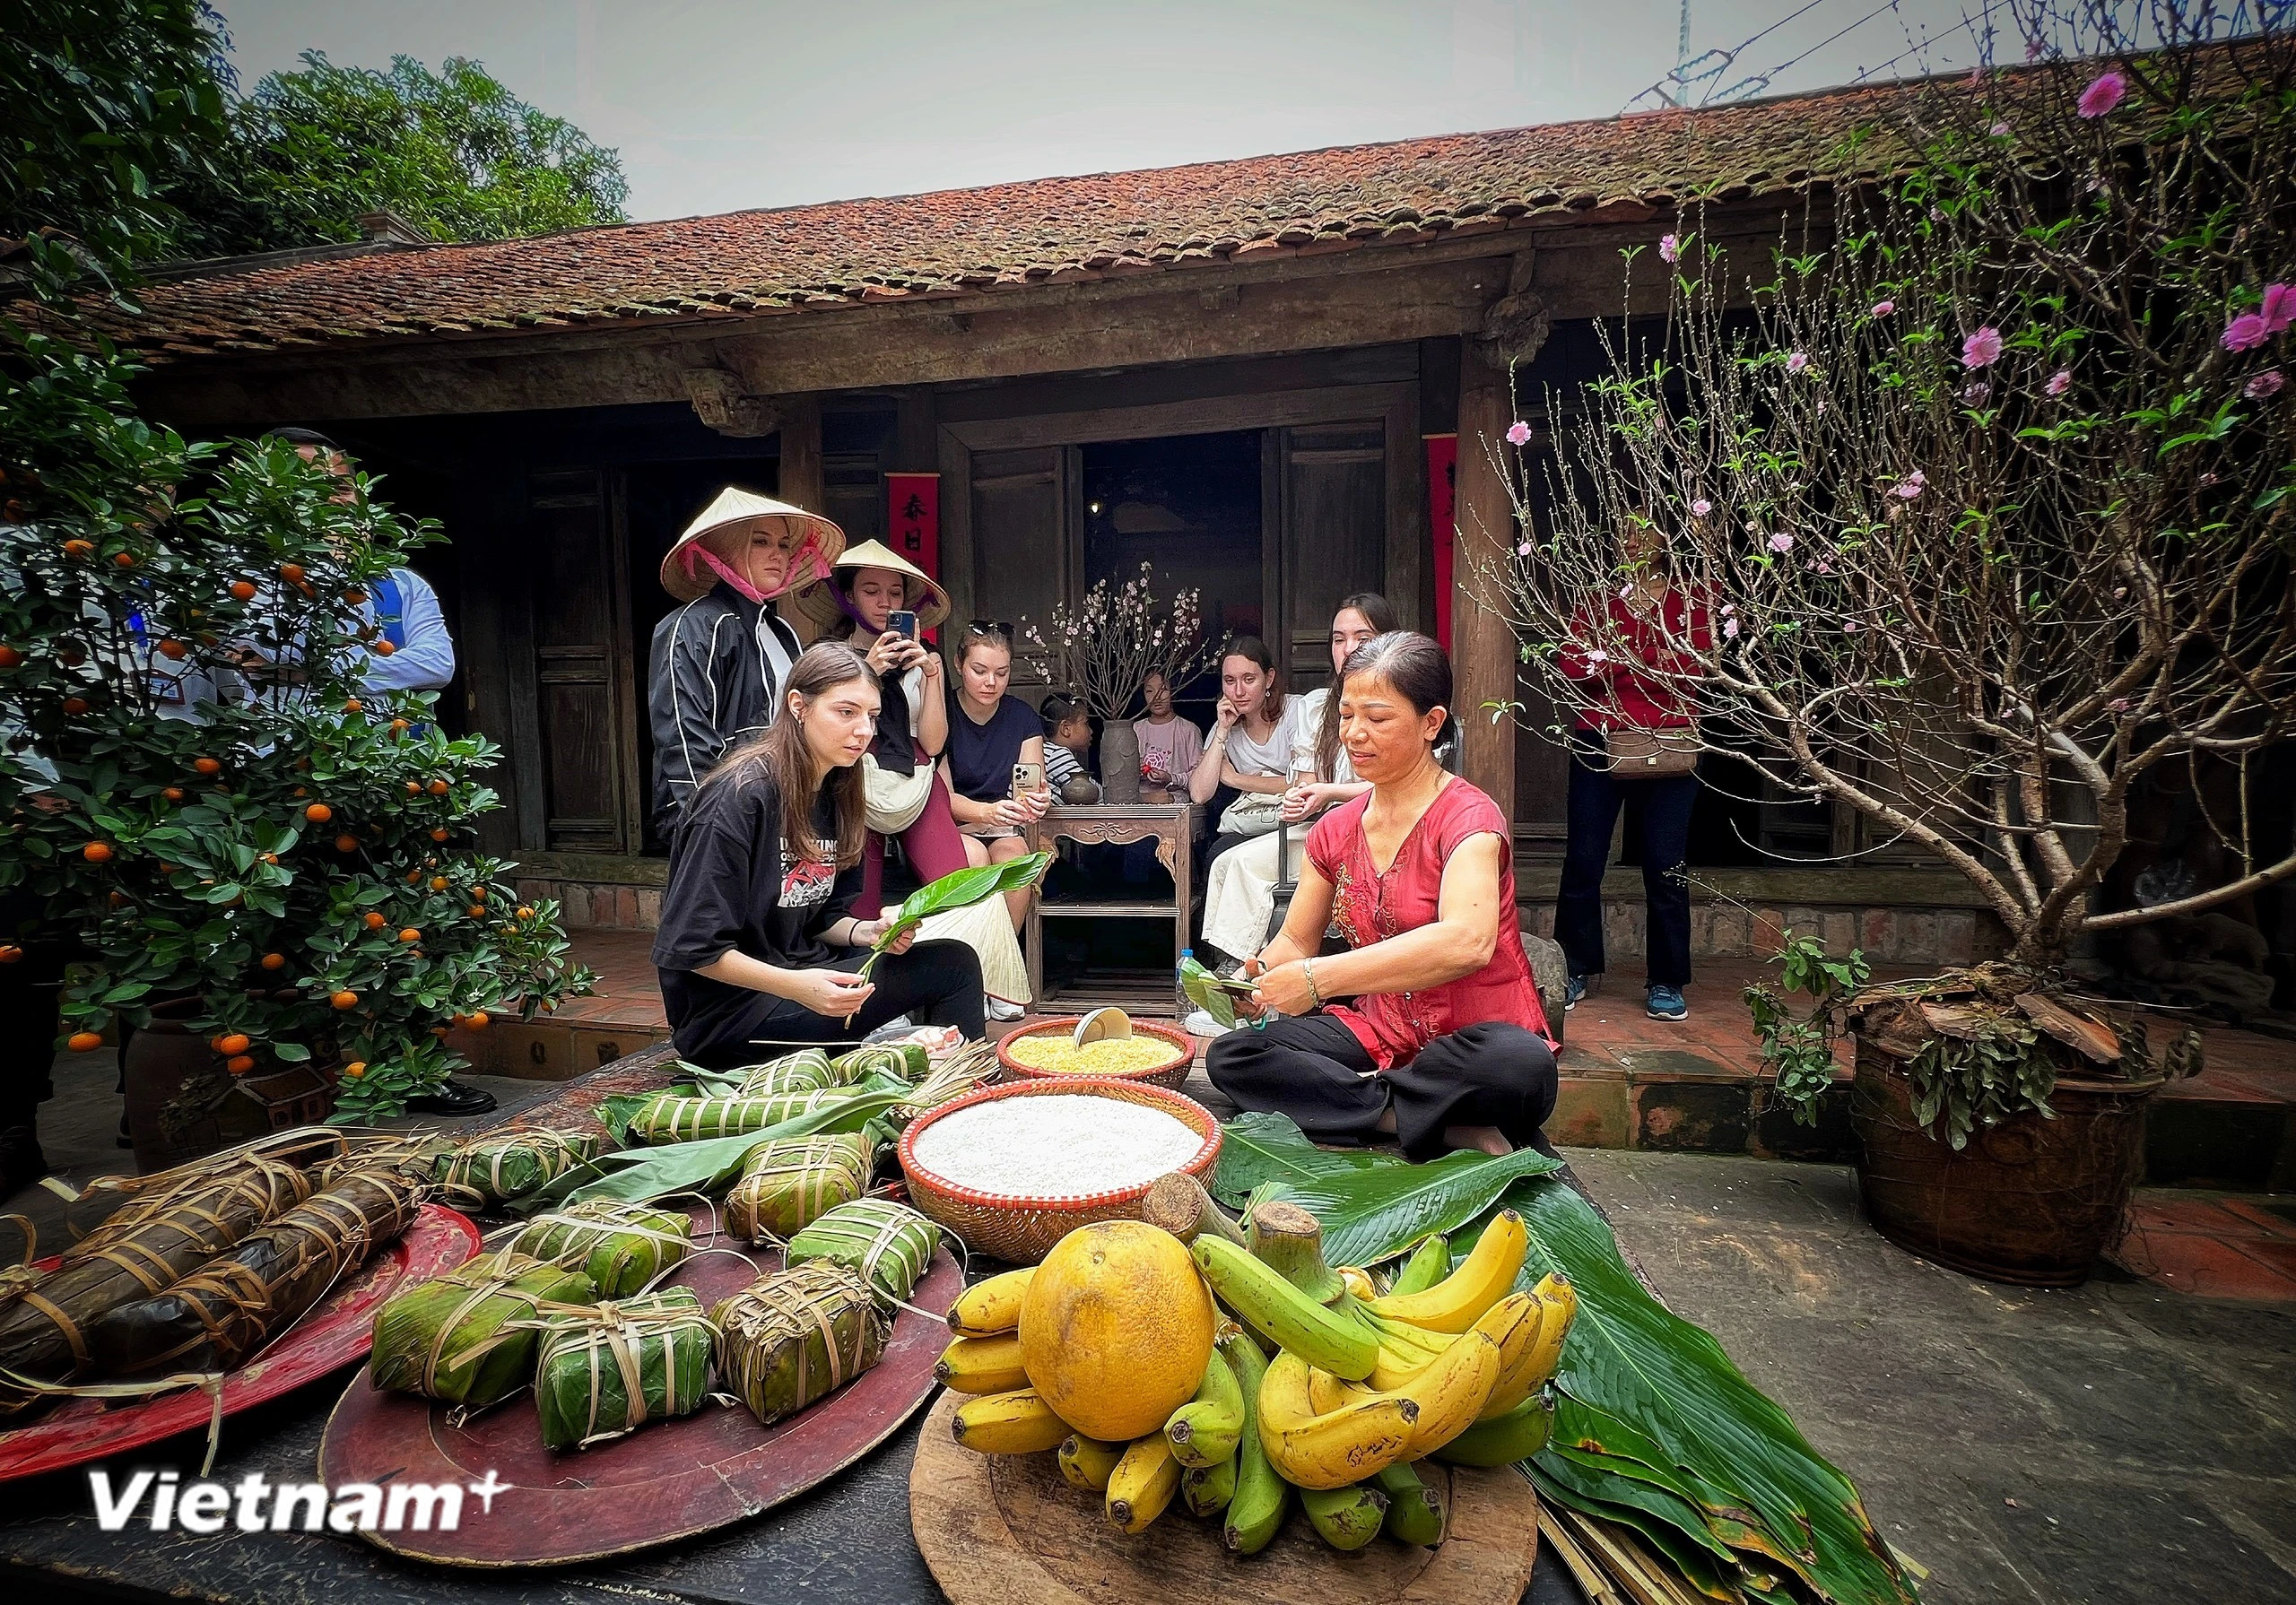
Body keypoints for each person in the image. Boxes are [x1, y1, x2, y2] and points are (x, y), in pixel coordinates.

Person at [1206, 632, 1558, 1160]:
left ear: (1430, 724)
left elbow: (1468, 941)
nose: (1355, 734)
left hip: (1471, 1043)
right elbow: (1296, 943)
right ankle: (1422, 1120)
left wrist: (1317, 980)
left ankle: (1365, 1104)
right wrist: (1255, 978)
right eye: (1346, 716)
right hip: (1381, 1032)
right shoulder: (1335, 829)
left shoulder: (1469, 817)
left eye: (1378, 717)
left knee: (1520, 1067)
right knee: (1235, 1056)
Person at [652, 642, 986, 1066]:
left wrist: (867, 933)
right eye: (846, 712)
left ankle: (956, 1095)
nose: (864, 730)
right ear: (799, 706)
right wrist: (799, 986)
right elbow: (693, 949)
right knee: (949, 971)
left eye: (872, 716)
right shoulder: (737, 799)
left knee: (952, 961)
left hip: (805, 978)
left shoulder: (837, 789)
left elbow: (822, 917)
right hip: (733, 1017)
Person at [1554, 511, 1710, 1022]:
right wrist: (1636, 660)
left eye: (1644, 530)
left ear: (1664, 541)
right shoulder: (1600, 600)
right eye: (1623, 531)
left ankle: (1667, 979)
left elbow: (1696, 665)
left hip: (1669, 740)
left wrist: (1617, 659)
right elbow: (1571, 665)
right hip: (1598, 739)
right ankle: (1574, 965)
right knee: (1583, 860)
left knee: (1667, 868)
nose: (1632, 540)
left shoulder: (1690, 603)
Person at [1197, 594, 1396, 969]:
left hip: (1384, 831)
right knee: (1228, 861)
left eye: (1362, 638)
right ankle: (1233, 972)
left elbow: (1400, 788)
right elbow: (1305, 784)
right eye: (1339, 639)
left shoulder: (1402, 703)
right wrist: (1300, 800)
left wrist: (1329, 793)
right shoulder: (1317, 706)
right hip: (1326, 830)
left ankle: (1247, 980)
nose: (1349, 649)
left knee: (1243, 863)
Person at [649, 487, 843, 844]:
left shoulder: (782, 632)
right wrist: (710, 822)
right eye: (760, 541)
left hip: (784, 809)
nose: (777, 555)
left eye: (784, 545)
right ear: (725, 550)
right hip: (719, 818)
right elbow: (683, 735)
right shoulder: (693, 625)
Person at [792, 540, 968, 916]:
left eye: (895, 592)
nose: (885, 602)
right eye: (871, 591)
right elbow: (816, 731)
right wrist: (866, 670)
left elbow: (934, 744)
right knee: (858, 905)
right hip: (850, 777)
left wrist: (931, 674)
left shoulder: (927, 659)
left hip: (916, 774)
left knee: (955, 891)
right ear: (849, 597)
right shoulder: (828, 656)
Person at [940, 624, 1052, 942]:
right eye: (979, 670)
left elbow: (1031, 782)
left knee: (1015, 860)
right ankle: (972, 965)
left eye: (1001, 673)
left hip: (1001, 825)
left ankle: (1002, 963)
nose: (991, 682)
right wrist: (984, 812)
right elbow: (940, 797)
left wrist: (1036, 800)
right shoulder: (943, 713)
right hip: (953, 825)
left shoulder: (1022, 717)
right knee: (973, 857)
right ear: (959, 664)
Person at [1187, 636, 1294, 894]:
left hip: (1295, 823)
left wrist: (1236, 779)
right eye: (1229, 681)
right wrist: (1222, 730)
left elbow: (1302, 783)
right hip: (1252, 823)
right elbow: (1199, 793)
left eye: (1249, 679)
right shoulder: (1225, 725)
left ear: (1268, 679)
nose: (1238, 692)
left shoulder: (1296, 712)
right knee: (1218, 855)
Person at [1134, 670, 1203, 803]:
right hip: (1141, 803)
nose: (1157, 697)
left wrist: (1171, 778)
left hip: (1175, 802)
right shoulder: (1136, 730)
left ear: (1173, 692)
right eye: (1149, 691)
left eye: (1163, 690)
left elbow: (1199, 775)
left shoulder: (1188, 730)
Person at [1040, 692, 1100, 804]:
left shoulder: (1044, 750)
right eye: (1086, 723)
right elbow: (1096, 794)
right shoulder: (1056, 755)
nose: (1091, 731)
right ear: (1066, 729)